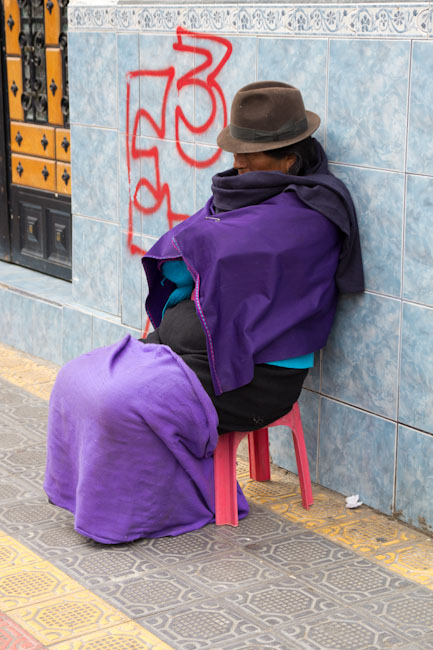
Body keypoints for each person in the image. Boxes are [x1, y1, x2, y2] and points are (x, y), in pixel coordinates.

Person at [44, 81, 364, 543]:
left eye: (253, 153)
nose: (239, 162)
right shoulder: (242, 195)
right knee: (77, 380)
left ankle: (140, 511)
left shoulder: (311, 217)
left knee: (120, 402)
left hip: (253, 378)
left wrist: (195, 244)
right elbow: (202, 252)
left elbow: (215, 244)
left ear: (289, 159)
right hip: (192, 355)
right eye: (237, 150)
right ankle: (91, 498)